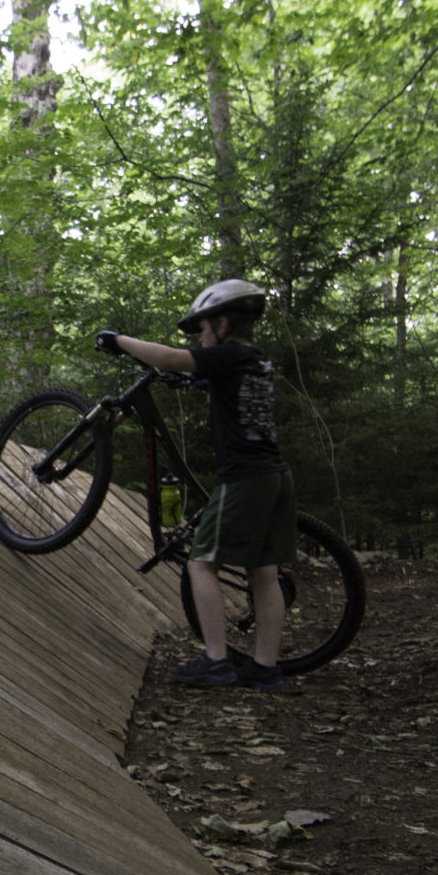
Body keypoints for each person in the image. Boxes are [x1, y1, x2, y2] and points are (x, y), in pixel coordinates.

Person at [94, 278, 293, 690]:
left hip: (244, 479)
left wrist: (120, 340)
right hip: (275, 475)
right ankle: (265, 668)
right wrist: (199, 380)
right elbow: (226, 387)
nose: (200, 337)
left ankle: (216, 659)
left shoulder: (228, 355)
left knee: (201, 563)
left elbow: (167, 358)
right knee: (264, 573)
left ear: (222, 323)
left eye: (203, 327)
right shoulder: (254, 360)